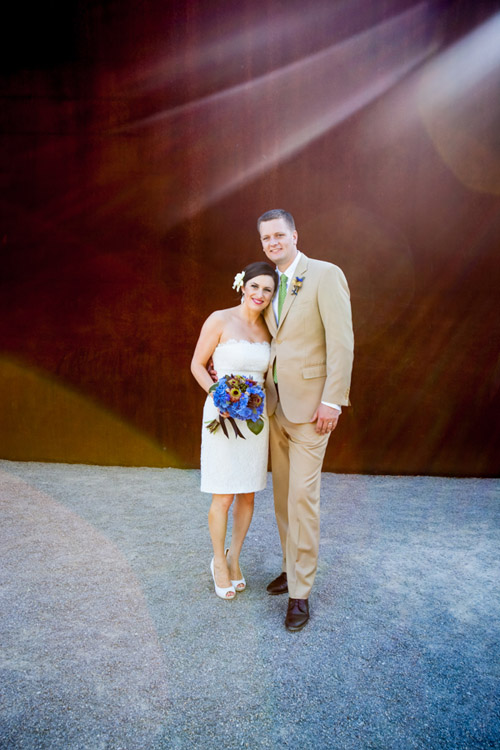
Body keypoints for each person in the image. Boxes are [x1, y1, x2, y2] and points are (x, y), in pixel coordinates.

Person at [258, 209, 354, 631]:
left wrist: (333, 401)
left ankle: (301, 592)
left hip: (313, 410)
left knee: (302, 499)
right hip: (275, 407)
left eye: (279, 235)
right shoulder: (267, 282)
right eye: (266, 238)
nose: (273, 243)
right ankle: (288, 566)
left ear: (295, 234)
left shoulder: (325, 274)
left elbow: (342, 342)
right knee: (281, 498)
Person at [191, 262, 278, 600]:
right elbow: (197, 364)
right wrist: (217, 395)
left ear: (272, 295)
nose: (260, 294)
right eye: (255, 286)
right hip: (222, 415)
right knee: (223, 494)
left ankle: (235, 557)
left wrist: (271, 412)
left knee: (247, 493)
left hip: (255, 420)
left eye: (267, 289)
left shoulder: (270, 331)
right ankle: (217, 561)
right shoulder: (219, 319)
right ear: (243, 285)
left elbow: (269, 378)